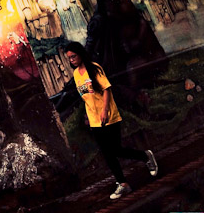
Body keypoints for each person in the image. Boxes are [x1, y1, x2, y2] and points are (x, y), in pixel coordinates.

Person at [64, 41, 158, 200]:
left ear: (80, 54)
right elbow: (86, 97)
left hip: (109, 116)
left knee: (115, 149)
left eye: (73, 56)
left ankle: (145, 156)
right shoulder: (76, 75)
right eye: (69, 58)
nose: (71, 60)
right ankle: (123, 184)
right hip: (94, 120)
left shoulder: (94, 68)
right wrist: (89, 116)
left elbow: (106, 89)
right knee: (108, 154)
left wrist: (105, 110)